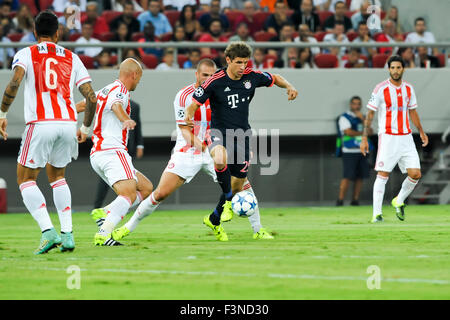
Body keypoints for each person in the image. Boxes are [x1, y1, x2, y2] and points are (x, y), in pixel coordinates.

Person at [110, 59, 275, 242]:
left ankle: (257, 229)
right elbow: (185, 132)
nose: (208, 79)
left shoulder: (220, 91)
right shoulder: (184, 96)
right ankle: (126, 228)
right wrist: (207, 147)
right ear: (196, 74)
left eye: (211, 75)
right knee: (160, 193)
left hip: (216, 147)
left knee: (242, 186)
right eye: (204, 75)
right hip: (188, 150)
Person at [0, 10, 97, 254]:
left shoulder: (26, 53)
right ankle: (68, 234)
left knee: (25, 179)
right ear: (58, 33)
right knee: (58, 177)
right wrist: (85, 127)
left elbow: (14, 82)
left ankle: (48, 232)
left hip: (41, 122)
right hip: (66, 123)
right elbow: (91, 98)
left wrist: (2, 114)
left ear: (34, 32)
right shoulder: (72, 57)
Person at [185, 42, 298, 241]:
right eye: (238, 62)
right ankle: (230, 205)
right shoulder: (215, 80)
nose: (242, 67)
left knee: (238, 184)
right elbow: (194, 103)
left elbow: (276, 78)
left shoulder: (252, 77)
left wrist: (289, 86)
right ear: (228, 60)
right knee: (219, 158)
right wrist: (188, 115)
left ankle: (215, 217)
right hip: (218, 132)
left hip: (243, 135)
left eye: (245, 62)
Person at [76, 58, 153, 246]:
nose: (138, 83)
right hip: (112, 150)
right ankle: (104, 233)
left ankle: (104, 212)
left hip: (99, 153)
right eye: (139, 79)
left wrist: (66, 113)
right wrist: (126, 119)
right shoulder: (121, 91)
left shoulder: (105, 89)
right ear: (134, 75)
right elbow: (116, 106)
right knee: (129, 195)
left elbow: (85, 104)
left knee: (146, 188)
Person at [360, 55, 428, 223]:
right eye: (392, 68)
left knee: (415, 173)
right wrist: (364, 138)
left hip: (406, 137)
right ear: (388, 69)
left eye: (398, 67)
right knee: (383, 175)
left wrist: (421, 131)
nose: (395, 71)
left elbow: (412, 111)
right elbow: (370, 113)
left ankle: (398, 200)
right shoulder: (380, 88)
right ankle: (376, 214)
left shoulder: (409, 89)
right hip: (388, 137)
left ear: (403, 69)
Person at [90, 99, 144, 209]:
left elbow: (137, 126)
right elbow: (115, 106)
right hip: (111, 149)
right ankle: (99, 207)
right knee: (111, 181)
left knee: (135, 183)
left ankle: (116, 208)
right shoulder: (107, 102)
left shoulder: (135, 105)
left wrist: (140, 145)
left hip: (126, 147)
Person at [336, 96, 370, 206]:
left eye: (358, 104)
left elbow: (370, 130)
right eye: (354, 104)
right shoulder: (345, 117)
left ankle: (355, 200)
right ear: (350, 105)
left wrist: (363, 120)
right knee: (347, 176)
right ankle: (340, 200)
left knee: (360, 176)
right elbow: (348, 132)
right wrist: (363, 133)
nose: (356, 106)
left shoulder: (363, 117)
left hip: (362, 150)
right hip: (349, 151)